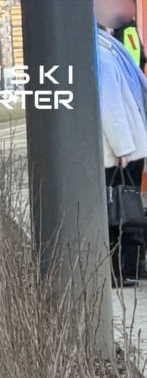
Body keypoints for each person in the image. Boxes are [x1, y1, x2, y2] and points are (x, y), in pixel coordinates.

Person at [97, 0, 147, 286]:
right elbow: (111, 103)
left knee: (122, 207)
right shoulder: (102, 49)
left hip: (125, 146)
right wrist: (123, 148)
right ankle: (120, 268)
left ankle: (128, 265)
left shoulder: (110, 42)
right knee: (119, 209)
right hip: (119, 150)